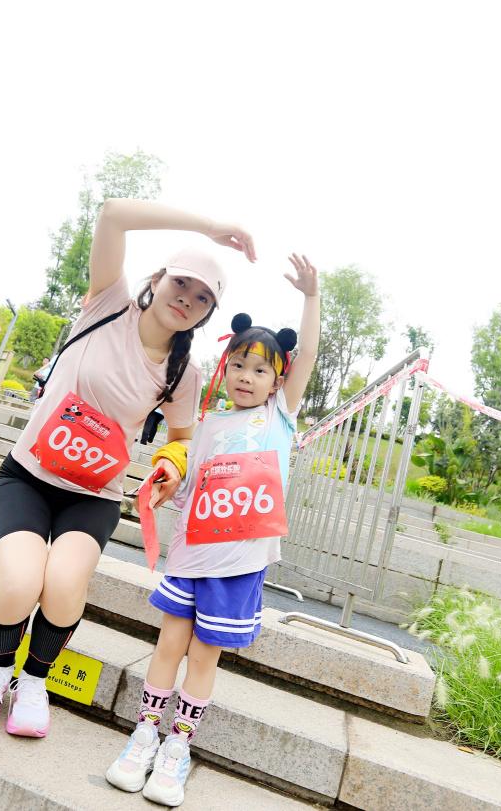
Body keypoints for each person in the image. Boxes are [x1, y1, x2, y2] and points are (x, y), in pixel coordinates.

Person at [0, 199, 253, 749]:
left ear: (208, 313)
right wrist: (210, 227)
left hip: (93, 495)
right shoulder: (109, 303)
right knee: (19, 582)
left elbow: (183, 439)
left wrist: (169, 466)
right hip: (28, 476)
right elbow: (113, 213)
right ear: (158, 280)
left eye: (202, 298)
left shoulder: (184, 371)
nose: (187, 299)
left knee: (64, 584)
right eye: (181, 284)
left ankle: (34, 682)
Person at [105, 255, 319, 806]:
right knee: (168, 645)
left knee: (204, 656)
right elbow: (189, 481)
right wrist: (167, 482)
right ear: (224, 368)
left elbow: (309, 358)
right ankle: (144, 736)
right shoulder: (206, 425)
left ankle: (178, 747)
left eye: (261, 370)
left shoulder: (279, 418)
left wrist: (311, 297)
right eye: (239, 365)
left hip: (239, 563)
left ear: (278, 380)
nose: (247, 377)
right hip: (191, 555)